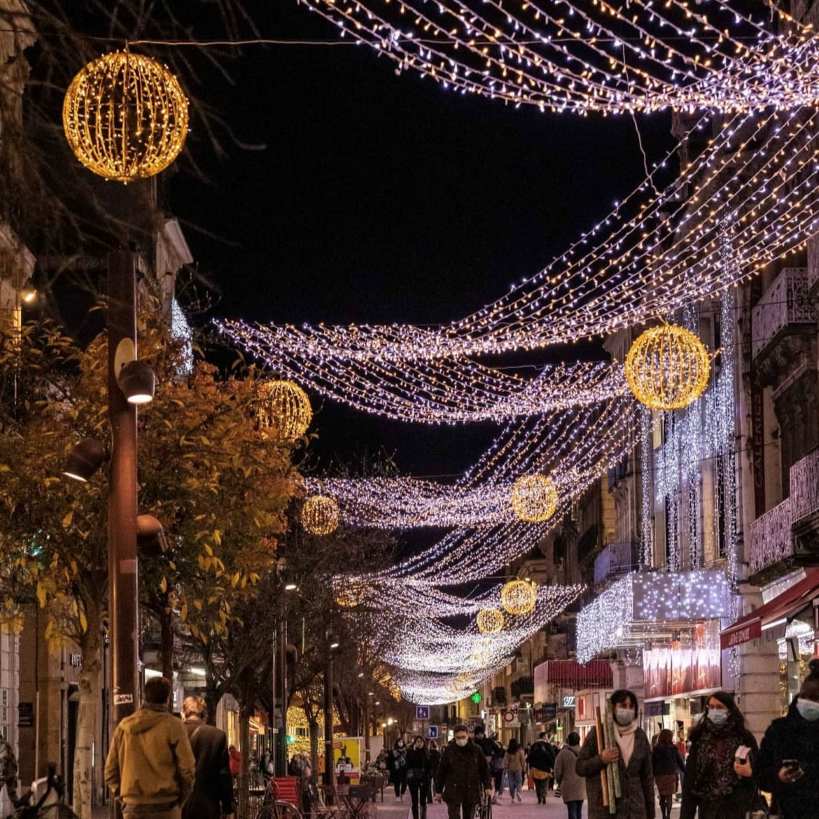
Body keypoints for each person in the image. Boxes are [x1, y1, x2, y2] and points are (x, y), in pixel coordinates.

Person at [104, 676, 196, 819]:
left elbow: (110, 772)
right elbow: (187, 769)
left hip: (133, 807)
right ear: (168, 698)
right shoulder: (174, 726)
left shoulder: (124, 727)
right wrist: (180, 800)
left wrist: (123, 797)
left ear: (144, 696)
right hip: (166, 806)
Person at [576, 689, 655, 819]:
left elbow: (647, 778)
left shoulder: (640, 736)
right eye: (623, 705)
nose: (627, 710)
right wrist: (601, 759)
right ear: (613, 708)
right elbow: (580, 767)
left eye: (631, 706)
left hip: (635, 810)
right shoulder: (599, 733)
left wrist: (650, 813)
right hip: (605, 811)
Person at [756, 658, 819, 819]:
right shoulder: (779, 730)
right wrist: (778, 776)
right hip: (786, 811)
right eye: (806, 697)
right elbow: (760, 774)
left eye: (816, 699)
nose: (810, 703)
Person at [680, 691, 758, 819]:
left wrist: (750, 773)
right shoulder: (700, 739)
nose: (715, 711)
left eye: (720, 707)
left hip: (738, 809)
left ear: (730, 710)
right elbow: (690, 782)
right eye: (711, 707)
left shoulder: (744, 737)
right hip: (708, 810)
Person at [180, 695, 234, 819]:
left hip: (179, 807)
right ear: (204, 715)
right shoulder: (217, 736)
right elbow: (224, 775)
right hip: (207, 807)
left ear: (183, 714)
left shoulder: (174, 733)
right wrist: (228, 806)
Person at [435, 724, 491, 819]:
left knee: (469, 816)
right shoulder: (449, 750)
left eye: (463, 737)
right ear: (454, 737)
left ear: (467, 735)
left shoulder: (476, 750)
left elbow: (484, 769)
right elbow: (441, 771)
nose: (461, 740)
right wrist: (438, 791)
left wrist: (487, 786)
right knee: (453, 816)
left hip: (471, 788)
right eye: (458, 737)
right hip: (453, 788)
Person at [652, 729, 685, 819]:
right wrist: (685, 771)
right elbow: (680, 761)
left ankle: (663, 815)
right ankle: (668, 816)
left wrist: (652, 774)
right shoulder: (673, 748)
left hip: (659, 776)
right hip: (671, 775)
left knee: (662, 796)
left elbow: (652, 763)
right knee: (669, 796)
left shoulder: (656, 749)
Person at [554, 732, 586, 819]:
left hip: (568, 786)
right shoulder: (583, 752)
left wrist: (559, 781)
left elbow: (557, 771)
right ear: (579, 740)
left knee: (572, 810)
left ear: (568, 741)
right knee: (579, 810)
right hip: (581, 785)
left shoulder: (563, 753)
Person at [527, 732, 555, 804]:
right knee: (545, 784)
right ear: (544, 737)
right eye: (546, 736)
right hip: (545, 769)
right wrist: (552, 766)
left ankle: (539, 796)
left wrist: (530, 766)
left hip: (535, 768)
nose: (547, 737)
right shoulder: (548, 746)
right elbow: (552, 756)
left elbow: (529, 757)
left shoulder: (534, 745)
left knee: (537, 784)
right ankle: (544, 796)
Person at [406, 735, 431, 819]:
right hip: (413, 779)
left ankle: (423, 817)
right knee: (414, 801)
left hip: (424, 779)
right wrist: (414, 751)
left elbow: (429, 766)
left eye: (421, 742)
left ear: (423, 743)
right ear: (415, 743)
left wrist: (429, 776)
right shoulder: (410, 752)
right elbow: (408, 765)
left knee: (423, 801)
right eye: (417, 742)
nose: (419, 743)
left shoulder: (426, 752)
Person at [504, 738, 526, 803]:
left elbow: (506, 760)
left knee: (511, 782)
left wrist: (505, 768)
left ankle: (512, 797)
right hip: (518, 768)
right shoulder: (520, 751)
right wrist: (524, 768)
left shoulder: (508, 751)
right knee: (519, 781)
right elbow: (523, 760)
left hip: (510, 769)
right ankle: (518, 792)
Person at [426, 739, 441, 804]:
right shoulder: (437, 753)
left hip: (429, 770)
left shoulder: (428, 753)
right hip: (436, 770)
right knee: (437, 784)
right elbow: (439, 762)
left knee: (428, 785)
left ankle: (429, 800)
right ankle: (438, 798)